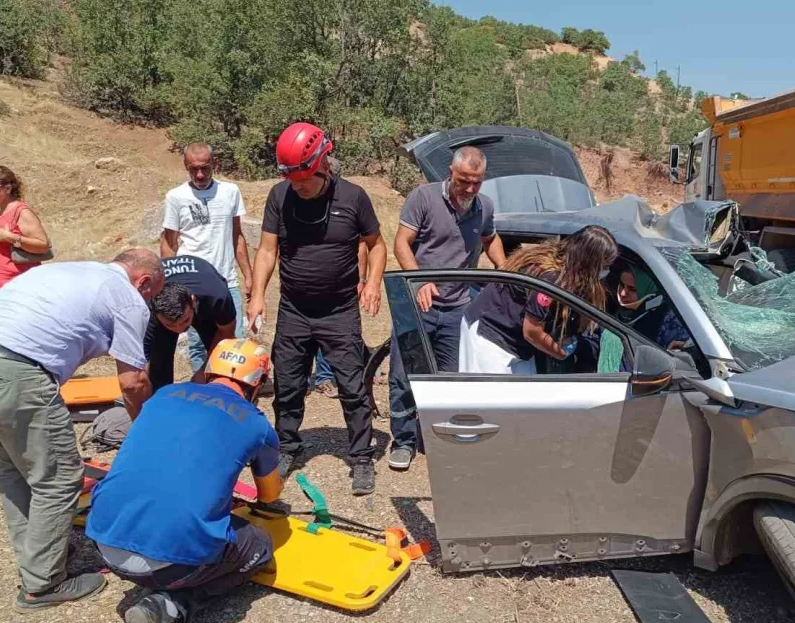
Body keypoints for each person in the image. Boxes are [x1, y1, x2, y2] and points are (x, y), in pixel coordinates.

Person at [0, 248, 159, 610]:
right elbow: (133, 382)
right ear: (144, 281)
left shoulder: (73, 269)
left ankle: (39, 555)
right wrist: (150, 435)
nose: (148, 300)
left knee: (14, 467)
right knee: (59, 477)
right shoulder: (129, 297)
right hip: (7, 370)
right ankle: (42, 584)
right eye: (151, 292)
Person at [86, 339, 281, 623]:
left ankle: (165, 589)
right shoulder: (256, 424)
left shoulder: (164, 394)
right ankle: (173, 605)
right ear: (256, 384)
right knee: (260, 546)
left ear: (208, 371)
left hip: (102, 539)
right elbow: (270, 494)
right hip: (171, 564)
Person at [247, 122, 387, 495]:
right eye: (292, 178)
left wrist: (372, 282)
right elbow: (266, 250)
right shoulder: (280, 197)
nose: (298, 186)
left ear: (324, 164)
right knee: (289, 385)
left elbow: (376, 245)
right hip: (294, 309)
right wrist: (258, 295)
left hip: (339, 310)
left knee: (352, 386)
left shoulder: (354, 198)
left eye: (305, 179)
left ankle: (361, 457)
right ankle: (288, 447)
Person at [388, 146, 505, 470]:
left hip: (457, 307)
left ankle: (436, 438)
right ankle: (403, 442)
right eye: (464, 181)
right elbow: (401, 243)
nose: (469, 189)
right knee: (404, 374)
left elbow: (489, 237)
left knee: (449, 378)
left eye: (476, 183)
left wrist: (504, 267)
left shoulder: (484, 207)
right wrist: (420, 281)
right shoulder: (423, 198)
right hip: (416, 304)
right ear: (450, 173)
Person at [459, 225, 617, 374]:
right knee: (489, 399)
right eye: (604, 266)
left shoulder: (567, 270)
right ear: (589, 262)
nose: (606, 271)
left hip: (519, 345)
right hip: (490, 337)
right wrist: (560, 352)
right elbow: (532, 332)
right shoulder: (550, 279)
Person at [161, 143, 253, 372]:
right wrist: (170, 284)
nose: (200, 174)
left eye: (205, 168)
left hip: (226, 279)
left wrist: (248, 275)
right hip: (190, 285)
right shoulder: (176, 197)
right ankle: (200, 393)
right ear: (185, 167)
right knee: (197, 344)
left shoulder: (230, 191)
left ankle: (231, 390)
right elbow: (169, 241)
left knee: (233, 341)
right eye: (193, 169)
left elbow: (237, 235)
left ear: (215, 164)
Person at [145, 255, 237, 391]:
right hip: (165, 305)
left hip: (204, 300)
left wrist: (203, 372)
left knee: (223, 357)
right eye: (171, 325)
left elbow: (227, 333)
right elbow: (142, 361)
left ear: (193, 301)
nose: (179, 330)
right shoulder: (145, 305)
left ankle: (218, 396)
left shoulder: (216, 295)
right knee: (158, 364)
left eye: (185, 321)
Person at [0, 165, 51, 296]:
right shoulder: (2, 212)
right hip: (2, 286)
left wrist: (10, 237)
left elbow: (43, 246)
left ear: (7, 188)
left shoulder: (21, 211)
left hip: (20, 286)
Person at [614, 264, 691, 350]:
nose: (622, 294)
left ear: (648, 289)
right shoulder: (613, 306)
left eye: (632, 289)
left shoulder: (667, 320)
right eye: (621, 285)